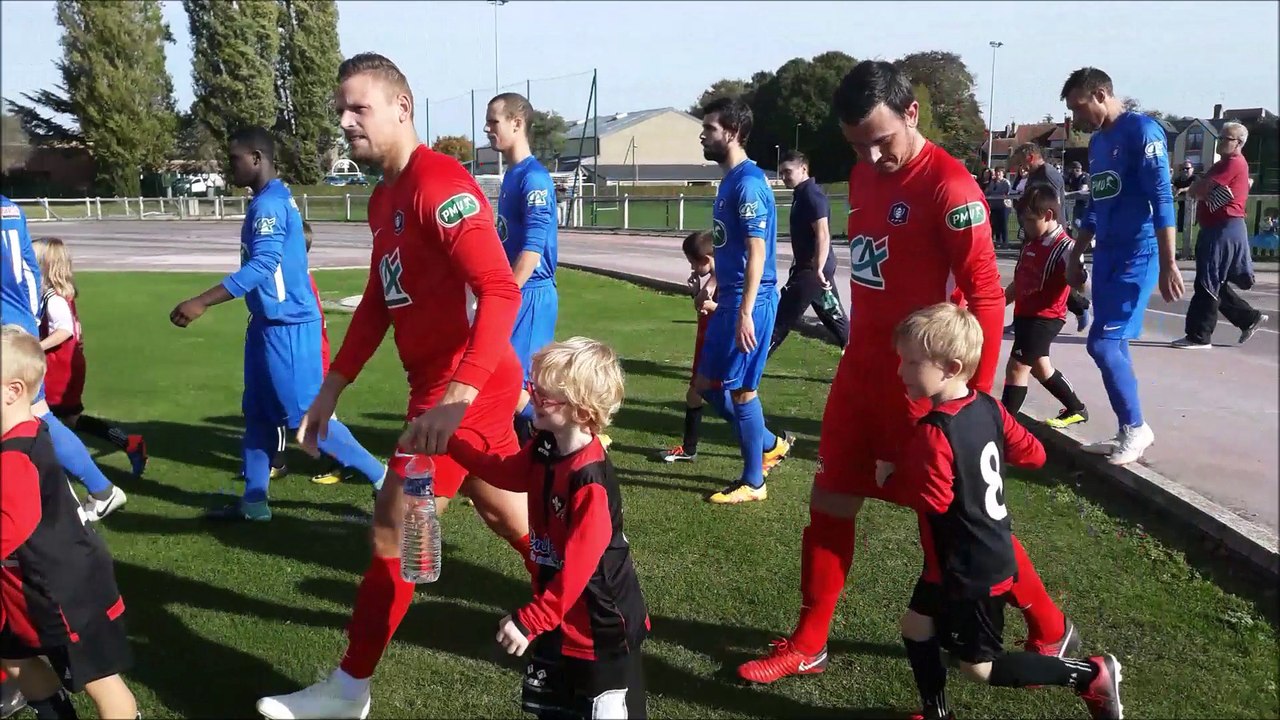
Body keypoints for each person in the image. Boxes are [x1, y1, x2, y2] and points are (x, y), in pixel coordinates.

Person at [737, 61, 1077, 685]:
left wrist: (968, 403)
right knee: (830, 502)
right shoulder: (865, 174)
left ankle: (1050, 625)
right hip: (863, 372)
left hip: (923, 389)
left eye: (882, 139)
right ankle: (810, 641)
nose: (871, 155)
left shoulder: (952, 189)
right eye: (857, 144)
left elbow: (985, 295)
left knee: (957, 533)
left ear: (912, 114)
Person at [256, 53, 534, 719]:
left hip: (467, 391)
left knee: (396, 529)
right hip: (440, 394)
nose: (346, 122)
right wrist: (330, 391)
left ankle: (349, 689)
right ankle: (600, 590)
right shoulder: (385, 197)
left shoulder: (440, 184)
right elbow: (382, 302)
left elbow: (499, 292)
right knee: (504, 513)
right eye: (341, 111)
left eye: (360, 108)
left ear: (402, 108)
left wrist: (458, 397)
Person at [886, 304, 1122, 720]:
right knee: (915, 626)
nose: (901, 371)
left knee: (978, 667)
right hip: (960, 558)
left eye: (910, 362)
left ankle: (1090, 676)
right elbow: (1033, 454)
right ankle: (935, 712)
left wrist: (892, 476)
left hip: (970, 567)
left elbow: (934, 501)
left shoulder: (933, 431)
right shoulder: (989, 407)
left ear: (950, 367)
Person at [169, 125, 386, 520]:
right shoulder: (266, 200)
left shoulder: (270, 205)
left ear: (256, 158)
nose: (229, 166)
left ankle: (383, 479)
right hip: (267, 325)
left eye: (235, 159)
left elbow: (264, 265)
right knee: (259, 413)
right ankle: (254, 501)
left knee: (307, 416)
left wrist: (202, 301)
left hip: (289, 327)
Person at [451, 337, 649, 720]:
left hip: (600, 630)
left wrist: (530, 621)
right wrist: (450, 442)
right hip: (560, 618)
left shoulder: (589, 481)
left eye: (545, 395)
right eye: (534, 388)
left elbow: (579, 573)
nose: (533, 398)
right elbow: (508, 473)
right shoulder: (547, 443)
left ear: (582, 411)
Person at [0, 326, 139, 720]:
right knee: (14, 657)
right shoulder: (29, 431)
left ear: (12, 391)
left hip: (65, 592)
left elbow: (12, 525)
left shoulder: (16, 455)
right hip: (27, 587)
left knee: (101, 681)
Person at [1060, 67, 1183, 466]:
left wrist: (1168, 261)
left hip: (1139, 251)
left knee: (1103, 343)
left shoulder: (1143, 132)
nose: (1075, 119)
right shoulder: (1097, 143)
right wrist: (1077, 251)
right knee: (1114, 343)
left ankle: (1136, 428)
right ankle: (1127, 427)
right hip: (1108, 253)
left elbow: (1163, 198)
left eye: (1078, 108)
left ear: (1100, 94)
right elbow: (1097, 202)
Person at [0, 195, 126, 522]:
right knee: (37, 415)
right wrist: (25, 320)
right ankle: (99, 491)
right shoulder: (10, 208)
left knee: (33, 418)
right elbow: (28, 269)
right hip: (16, 323)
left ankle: (75, 500)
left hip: (8, 327)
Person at [693, 97, 793, 504]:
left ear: (732, 132)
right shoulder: (729, 180)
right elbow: (728, 247)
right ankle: (769, 443)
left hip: (750, 301)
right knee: (706, 386)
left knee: (742, 391)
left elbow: (757, 253)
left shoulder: (750, 183)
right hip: (730, 296)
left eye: (710, 128)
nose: (703, 134)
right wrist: (712, 284)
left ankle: (754, 481)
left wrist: (746, 312)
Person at [31, 237, 149, 476]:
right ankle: (130, 443)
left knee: (39, 415)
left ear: (45, 265)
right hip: (66, 363)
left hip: (58, 368)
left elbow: (63, 331)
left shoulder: (53, 299)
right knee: (69, 417)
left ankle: (40, 467)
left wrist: (35, 347)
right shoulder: (61, 294)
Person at [485, 92, 560, 444]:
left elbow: (532, 247)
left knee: (514, 384)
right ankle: (519, 457)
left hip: (530, 294)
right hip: (517, 290)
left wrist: (506, 294)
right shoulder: (513, 175)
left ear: (517, 123)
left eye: (493, 121)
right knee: (500, 379)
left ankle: (571, 436)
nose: (487, 128)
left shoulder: (535, 179)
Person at [1172, 121, 1269, 349]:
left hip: (1224, 228)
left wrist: (1202, 189)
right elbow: (1198, 190)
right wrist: (1202, 189)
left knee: (1208, 280)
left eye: (1227, 138)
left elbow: (1199, 190)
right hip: (1217, 228)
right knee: (1214, 280)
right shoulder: (1223, 164)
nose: (1221, 142)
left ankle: (1199, 336)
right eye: (1221, 137)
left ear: (1239, 143)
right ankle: (1248, 318)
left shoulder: (1234, 163)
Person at [1002, 185, 1089, 427]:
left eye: (1030, 221)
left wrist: (1079, 277)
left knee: (1017, 368)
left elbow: (1082, 283)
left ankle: (1003, 429)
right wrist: (999, 304)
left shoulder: (1067, 247)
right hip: (1025, 315)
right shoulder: (1031, 243)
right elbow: (1019, 283)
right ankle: (1076, 408)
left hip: (1045, 318)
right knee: (1041, 368)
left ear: (1049, 216)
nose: (1026, 227)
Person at [270, 221, 349, 485]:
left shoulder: (298, 280)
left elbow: (310, 328)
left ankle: (346, 463)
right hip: (294, 354)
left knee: (320, 414)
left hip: (308, 358)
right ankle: (276, 461)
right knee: (274, 404)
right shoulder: (291, 276)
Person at [768, 150, 849, 355]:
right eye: (781, 173)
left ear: (803, 169)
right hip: (812, 270)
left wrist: (818, 268)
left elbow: (823, 234)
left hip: (812, 272)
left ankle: (745, 373)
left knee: (780, 321)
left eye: (788, 172)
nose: (784, 177)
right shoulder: (801, 195)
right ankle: (859, 357)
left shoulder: (812, 196)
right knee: (834, 318)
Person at [1007, 143, 1091, 332]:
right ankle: (1019, 318)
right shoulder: (1035, 175)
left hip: (1049, 234)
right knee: (1026, 273)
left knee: (1048, 277)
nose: (1020, 166)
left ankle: (1080, 307)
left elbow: (1052, 205)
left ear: (1030, 157)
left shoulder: (1048, 174)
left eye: (1021, 161)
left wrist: (1051, 235)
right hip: (1034, 231)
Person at [662, 231, 718, 463]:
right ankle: (688, 448)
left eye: (693, 263)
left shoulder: (729, 278)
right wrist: (697, 292)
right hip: (705, 341)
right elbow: (701, 308)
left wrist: (712, 305)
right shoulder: (712, 279)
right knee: (695, 394)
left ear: (706, 259)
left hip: (716, 344)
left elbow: (735, 312)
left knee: (732, 399)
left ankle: (769, 443)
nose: (693, 269)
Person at [985, 169, 1012, 248]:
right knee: (995, 224)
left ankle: (1005, 242)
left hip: (1004, 206)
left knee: (1003, 224)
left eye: (999, 173)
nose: (998, 174)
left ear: (1003, 174)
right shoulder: (992, 182)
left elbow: (1006, 192)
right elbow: (988, 192)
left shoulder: (1006, 182)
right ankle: (998, 241)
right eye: (996, 172)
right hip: (994, 206)